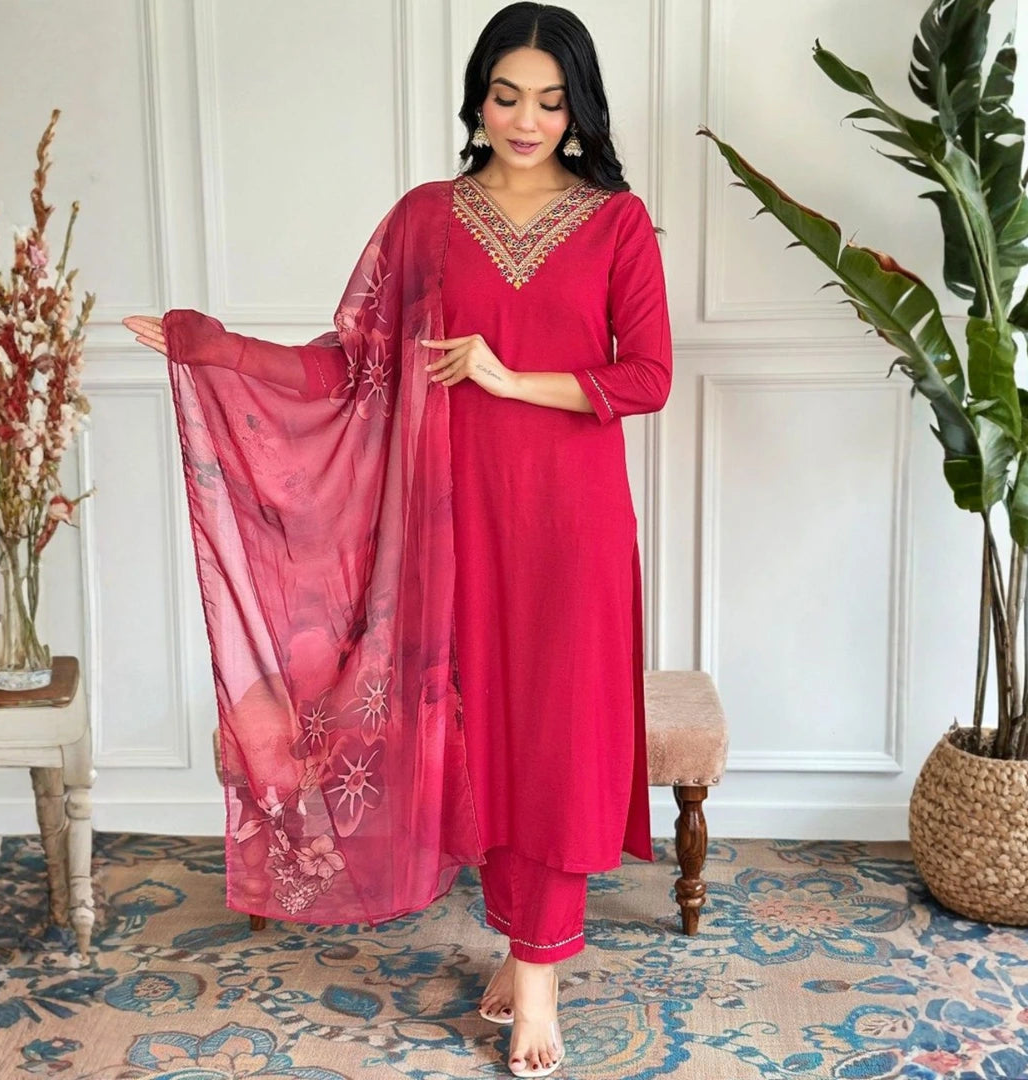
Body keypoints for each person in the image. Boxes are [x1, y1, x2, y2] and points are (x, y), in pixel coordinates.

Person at [124, 4, 671, 1076]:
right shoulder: (426, 218)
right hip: (450, 523)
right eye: (507, 96)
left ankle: (540, 972)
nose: (527, 120)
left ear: (579, 110)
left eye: (551, 101)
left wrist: (509, 377)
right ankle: (524, 945)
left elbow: (646, 375)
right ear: (477, 100)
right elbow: (353, 363)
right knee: (480, 735)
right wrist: (220, 349)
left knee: (554, 735)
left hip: (571, 525)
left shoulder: (617, 220)